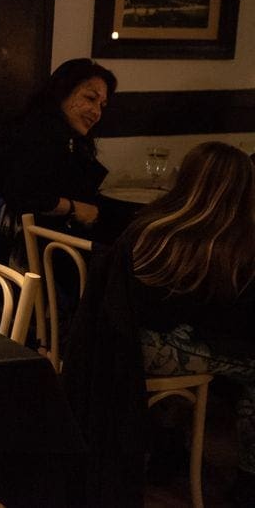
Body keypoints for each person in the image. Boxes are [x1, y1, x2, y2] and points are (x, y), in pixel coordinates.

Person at [130, 141, 255, 501]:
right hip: (162, 350)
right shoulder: (230, 245)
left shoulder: (150, 224)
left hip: (124, 343)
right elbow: (231, 323)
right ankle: (247, 477)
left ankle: (167, 448)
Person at [0, 57, 118, 240]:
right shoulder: (36, 133)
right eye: (90, 98)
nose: (97, 112)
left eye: (102, 105)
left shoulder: (70, 138)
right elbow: (24, 193)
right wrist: (76, 209)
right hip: (37, 249)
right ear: (62, 92)